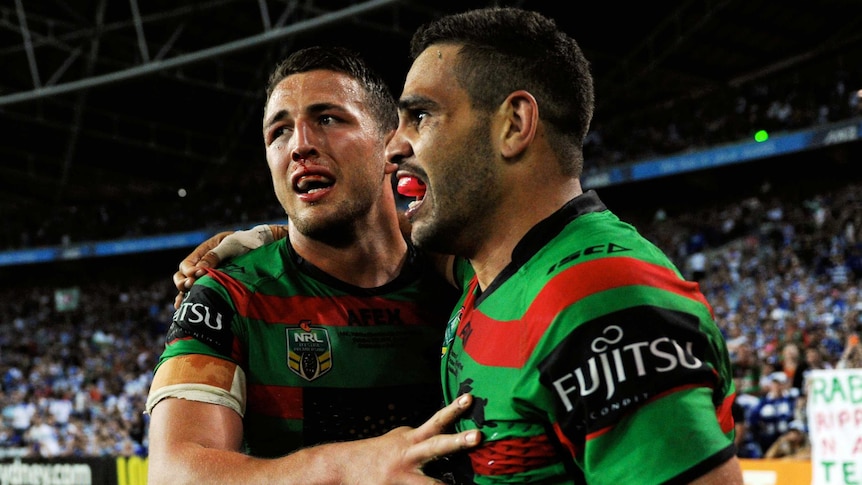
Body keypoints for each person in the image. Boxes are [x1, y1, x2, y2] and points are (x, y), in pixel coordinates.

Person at [178, 7, 744, 484]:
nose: (397, 144)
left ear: (515, 123)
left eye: (421, 115)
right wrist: (273, 237)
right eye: (278, 131)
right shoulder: (486, 275)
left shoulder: (601, 301)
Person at [146, 45, 480, 485]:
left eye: (328, 119)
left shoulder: (461, 271)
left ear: (390, 144)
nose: (300, 145)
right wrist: (348, 467)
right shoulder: (225, 296)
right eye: (279, 132)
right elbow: (174, 474)